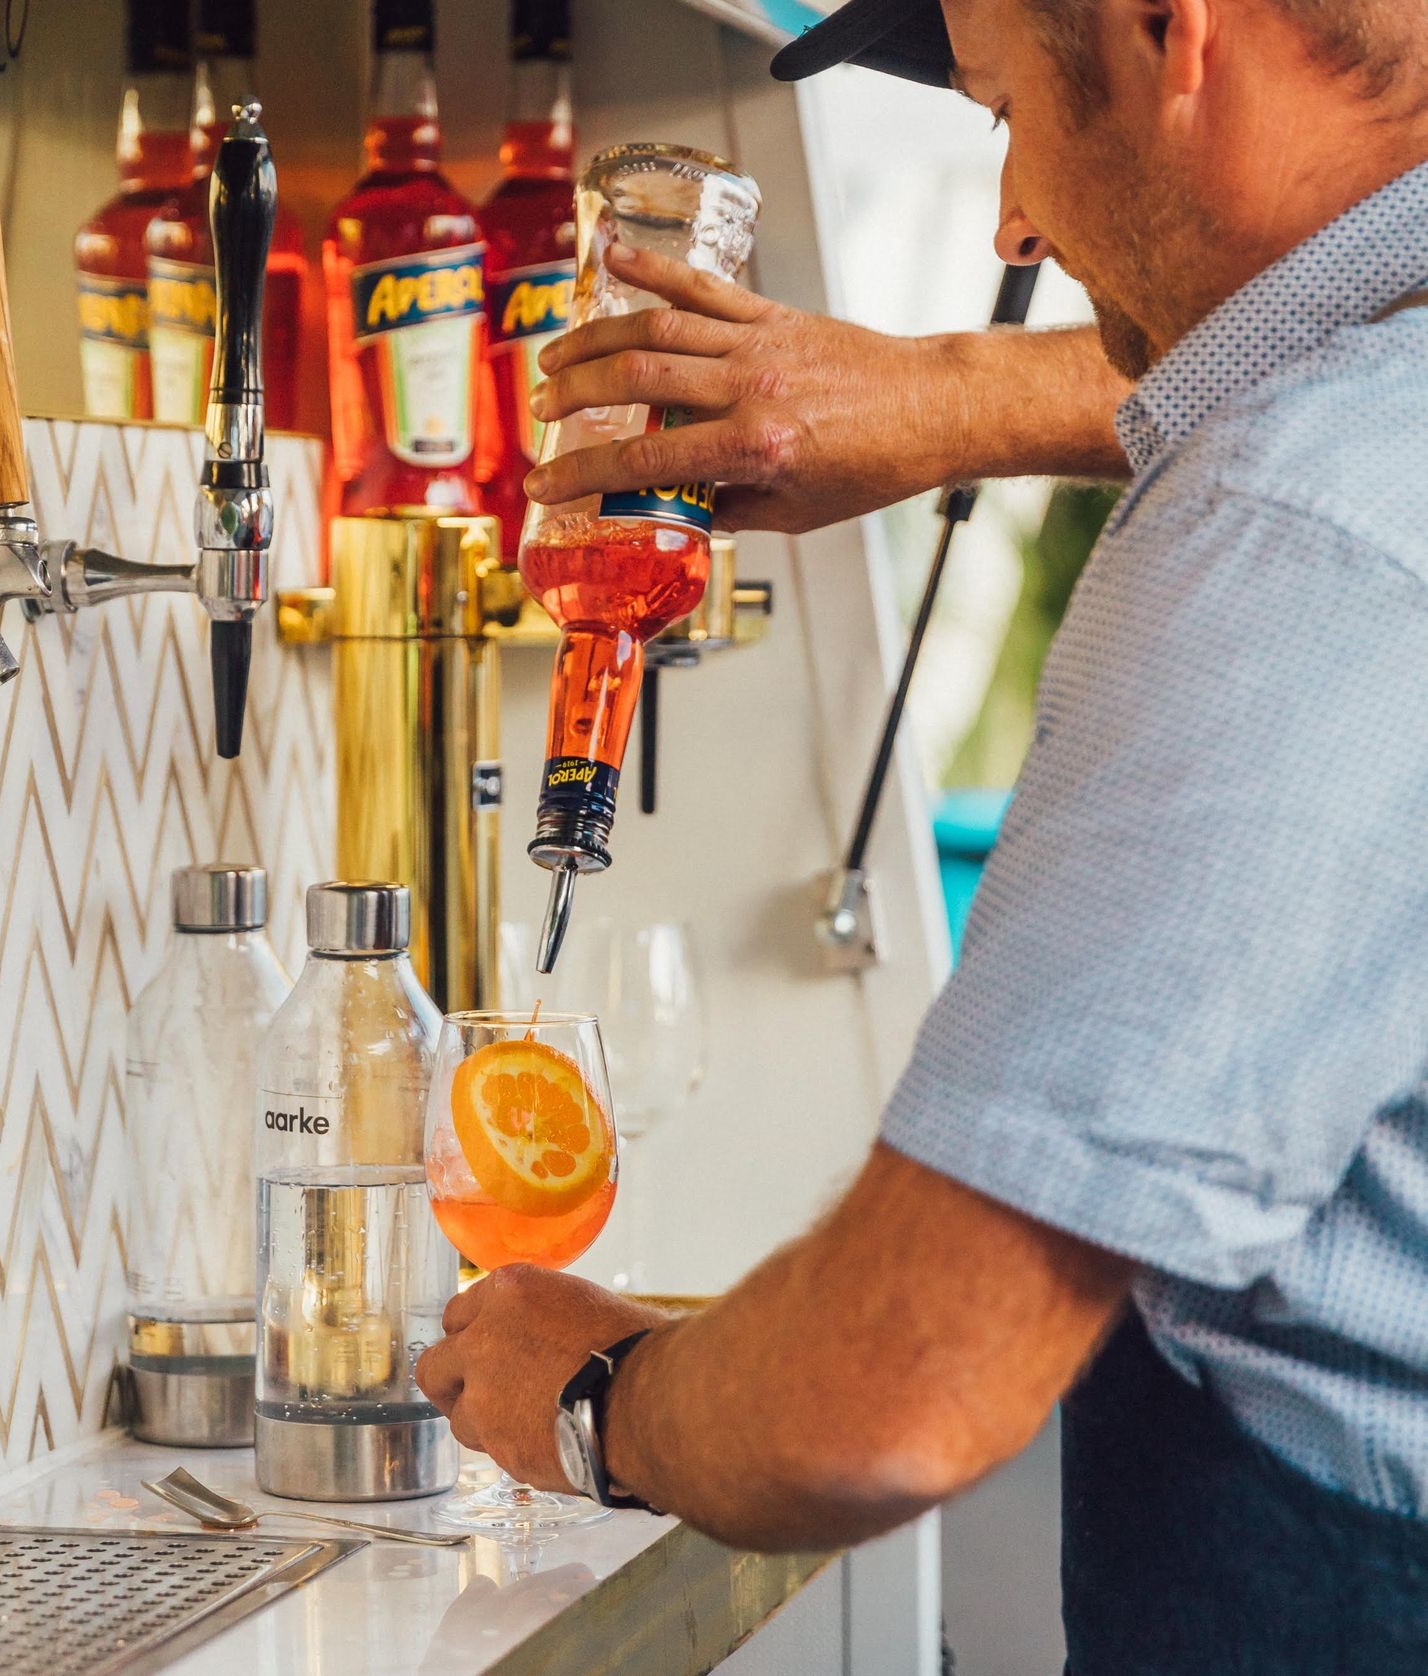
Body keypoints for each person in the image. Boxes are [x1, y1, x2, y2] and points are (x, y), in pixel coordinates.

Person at [415, 0, 1428, 1666]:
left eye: (1003, 104)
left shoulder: (1291, 533)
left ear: (1173, 32)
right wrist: (952, 395)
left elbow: (886, 1398)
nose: (1013, 214)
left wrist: (599, 1397)